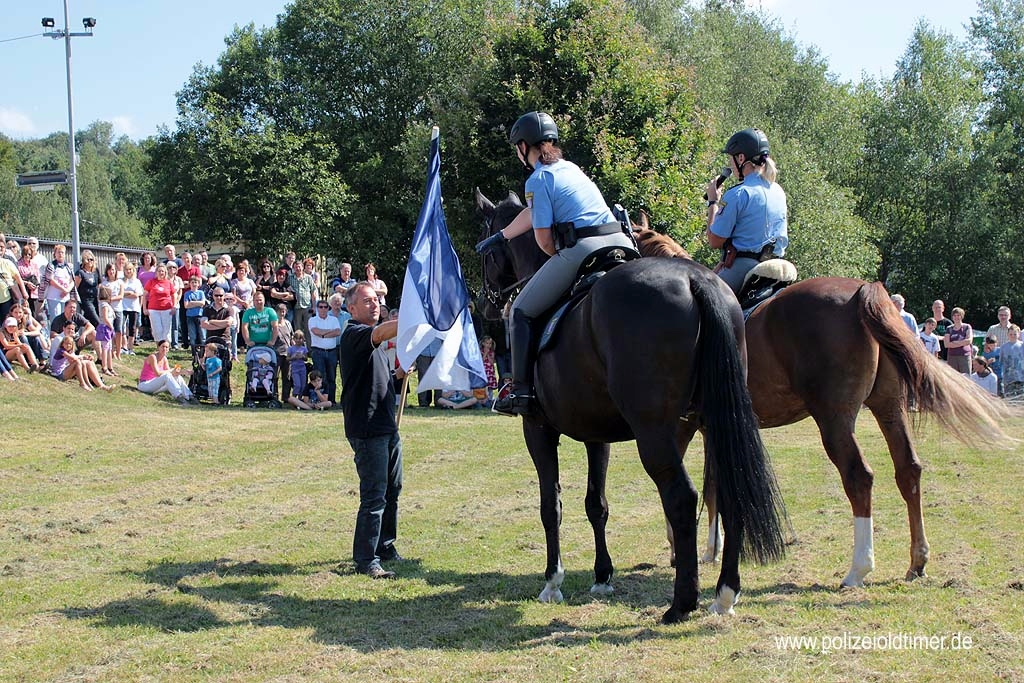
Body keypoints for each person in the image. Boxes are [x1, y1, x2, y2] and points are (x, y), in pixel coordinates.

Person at [475, 111, 635, 415]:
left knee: (520, 310)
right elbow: (532, 213)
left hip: (584, 249)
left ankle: (520, 393)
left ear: (523, 146)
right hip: (621, 243)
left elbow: (545, 241)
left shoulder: (537, 179)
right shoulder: (570, 168)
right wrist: (501, 237)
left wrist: (558, 263)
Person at [340, 282, 404, 579]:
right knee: (374, 495)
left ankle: (386, 547)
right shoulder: (355, 334)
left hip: (386, 426)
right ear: (351, 308)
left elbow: (381, 380)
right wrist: (411, 319)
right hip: (367, 429)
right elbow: (379, 333)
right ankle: (367, 559)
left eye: (377, 299)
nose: (374, 304)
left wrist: (400, 374)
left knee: (393, 490)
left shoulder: (374, 345)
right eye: (366, 301)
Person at [138, 339, 195, 403]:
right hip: (145, 385)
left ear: (168, 349)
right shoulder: (153, 357)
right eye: (163, 346)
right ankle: (179, 397)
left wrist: (184, 372)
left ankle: (189, 396)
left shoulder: (164, 359)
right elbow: (158, 374)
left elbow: (172, 373)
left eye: (166, 347)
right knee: (167, 375)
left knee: (177, 377)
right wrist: (171, 370)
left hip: (156, 386)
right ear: (158, 347)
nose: (164, 349)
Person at [309, 296, 342, 405]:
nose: (323, 309)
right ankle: (319, 399)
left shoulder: (334, 319)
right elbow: (316, 331)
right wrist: (328, 332)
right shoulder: (312, 320)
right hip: (318, 351)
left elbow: (337, 332)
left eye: (325, 307)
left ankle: (331, 400)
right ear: (317, 308)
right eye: (320, 307)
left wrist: (323, 334)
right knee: (320, 376)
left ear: (328, 308)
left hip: (332, 351)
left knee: (332, 377)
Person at [143, 264, 177, 344]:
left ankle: (166, 346)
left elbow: (174, 295)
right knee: (156, 329)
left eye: (163, 271)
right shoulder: (151, 282)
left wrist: (174, 306)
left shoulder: (168, 283)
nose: (161, 273)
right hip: (153, 309)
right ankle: (159, 346)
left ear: (165, 273)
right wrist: (145, 308)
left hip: (167, 309)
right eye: (159, 271)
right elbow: (144, 295)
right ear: (156, 272)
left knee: (166, 329)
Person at [101, 262, 125, 361]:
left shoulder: (120, 282)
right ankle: (111, 352)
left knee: (119, 331)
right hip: (108, 310)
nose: (112, 272)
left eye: (113, 270)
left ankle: (118, 352)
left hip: (118, 309)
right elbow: (102, 297)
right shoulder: (104, 284)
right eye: (110, 270)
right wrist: (108, 300)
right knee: (109, 331)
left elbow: (121, 295)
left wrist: (111, 299)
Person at [0, 240, 29, 323]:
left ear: (5, 249)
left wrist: (24, 294)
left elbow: (18, 279)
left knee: (6, 322)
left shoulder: (7, 263)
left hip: (6, 299)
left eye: (2, 247)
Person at [74, 249, 101, 327]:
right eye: (88, 259)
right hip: (86, 300)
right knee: (97, 321)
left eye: (92, 259)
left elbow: (99, 284)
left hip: (95, 299)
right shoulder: (80, 272)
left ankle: (86, 336)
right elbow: (75, 287)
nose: (90, 261)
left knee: (89, 322)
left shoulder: (96, 271)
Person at [943, 307, 974, 374]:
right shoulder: (949, 328)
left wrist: (955, 343)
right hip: (952, 356)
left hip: (964, 356)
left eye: (958, 315)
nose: (956, 317)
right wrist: (962, 343)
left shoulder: (967, 327)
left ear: (962, 316)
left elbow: (969, 341)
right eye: (954, 315)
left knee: (966, 376)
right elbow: (946, 344)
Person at [121, 263, 143, 355]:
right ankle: (124, 346)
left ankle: (131, 348)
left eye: (130, 269)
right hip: (122, 307)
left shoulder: (137, 281)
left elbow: (137, 295)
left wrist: (126, 294)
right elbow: (120, 293)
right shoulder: (121, 281)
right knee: (121, 327)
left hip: (134, 307)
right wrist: (129, 293)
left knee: (132, 328)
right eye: (127, 269)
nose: (128, 271)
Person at [182, 275, 208, 351]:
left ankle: (203, 351)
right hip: (190, 316)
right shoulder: (187, 294)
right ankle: (194, 352)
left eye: (196, 282)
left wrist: (192, 303)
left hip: (200, 316)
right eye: (192, 282)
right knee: (192, 335)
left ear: (198, 284)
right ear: (189, 284)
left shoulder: (201, 293)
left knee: (202, 335)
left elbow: (202, 303)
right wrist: (197, 303)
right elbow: (186, 306)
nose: (194, 284)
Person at [999, 325, 1023, 399]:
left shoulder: (1022, 345)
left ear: (1018, 334)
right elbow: (1001, 362)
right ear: (1007, 335)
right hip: (1008, 378)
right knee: (1010, 399)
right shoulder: (1003, 347)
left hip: (1021, 377)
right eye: (1011, 334)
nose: (1013, 336)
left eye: (1015, 334)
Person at [95, 303, 117, 376]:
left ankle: (110, 367)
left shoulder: (108, 305)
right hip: (105, 328)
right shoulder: (104, 305)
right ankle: (104, 367)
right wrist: (111, 327)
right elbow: (105, 318)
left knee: (109, 348)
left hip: (109, 328)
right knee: (105, 348)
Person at [288, 330, 309, 399]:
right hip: (294, 368)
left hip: (302, 368)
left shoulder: (304, 349)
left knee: (303, 385)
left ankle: (300, 398)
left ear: (303, 339)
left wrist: (302, 356)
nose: (298, 340)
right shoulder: (291, 348)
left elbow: (306, 358)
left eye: (300, 338)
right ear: (293, 339)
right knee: (297, 385)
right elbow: (287, 358)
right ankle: (293, 397)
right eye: (296, 338)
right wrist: (293, 357)